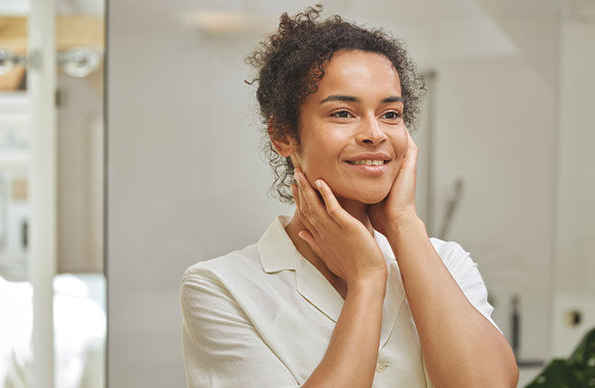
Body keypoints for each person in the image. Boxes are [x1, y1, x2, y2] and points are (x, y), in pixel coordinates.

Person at [180, 6, 518, 388]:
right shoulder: (221, 287)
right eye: (343, 113)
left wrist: (403, 224)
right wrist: (366, 281)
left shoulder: (448, 263)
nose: (375, 133)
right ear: (283, 136)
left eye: (391, 113)